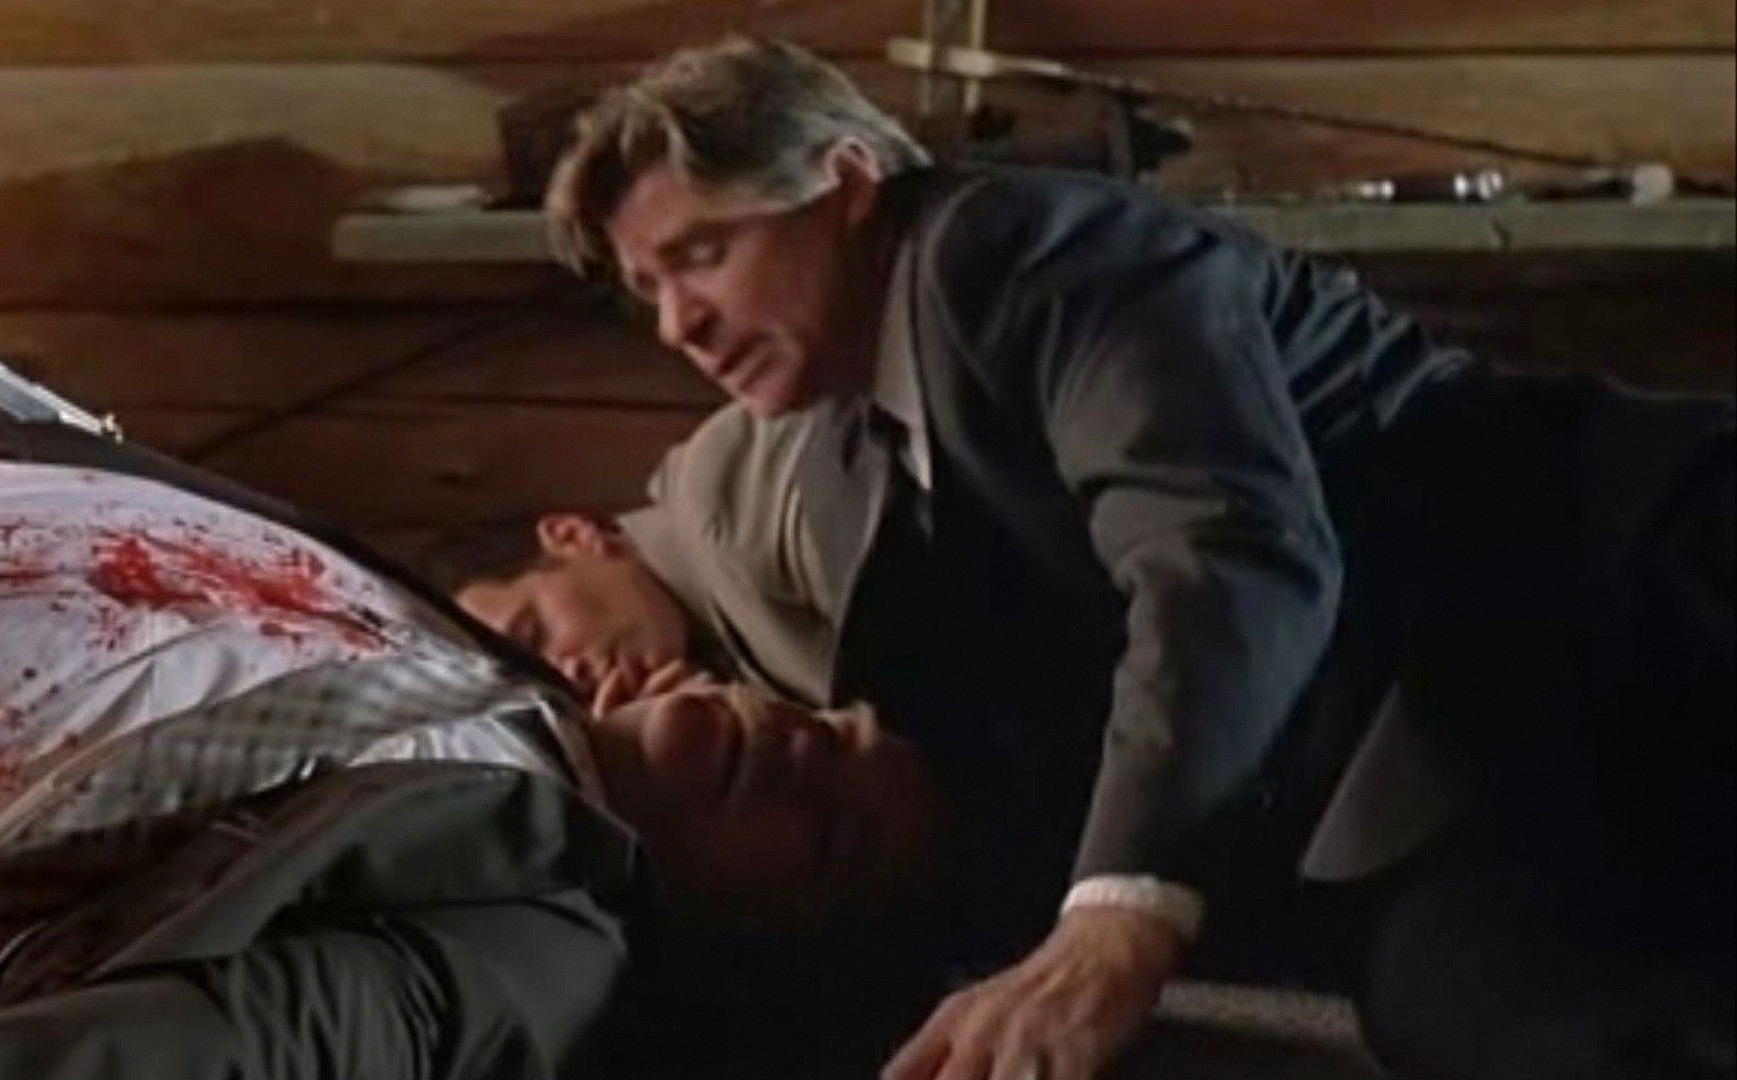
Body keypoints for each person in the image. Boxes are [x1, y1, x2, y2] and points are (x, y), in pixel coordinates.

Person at [501, 35, 1735, 1080]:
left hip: (1613, 547)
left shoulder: (1017, 251)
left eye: (701, 255)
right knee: (1490, 1013)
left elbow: (1223, 542)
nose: (679, 323)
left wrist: (1120, 916)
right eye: (649, 290)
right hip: (1421, 743)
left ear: (847, 184)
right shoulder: (842, 453)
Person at [0, 451, 947, 1079]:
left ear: (758, 928)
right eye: (833, 723)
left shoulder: (537, 954)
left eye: (834, 833)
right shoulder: (499, 675)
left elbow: (211, 1055)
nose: (810, 751)